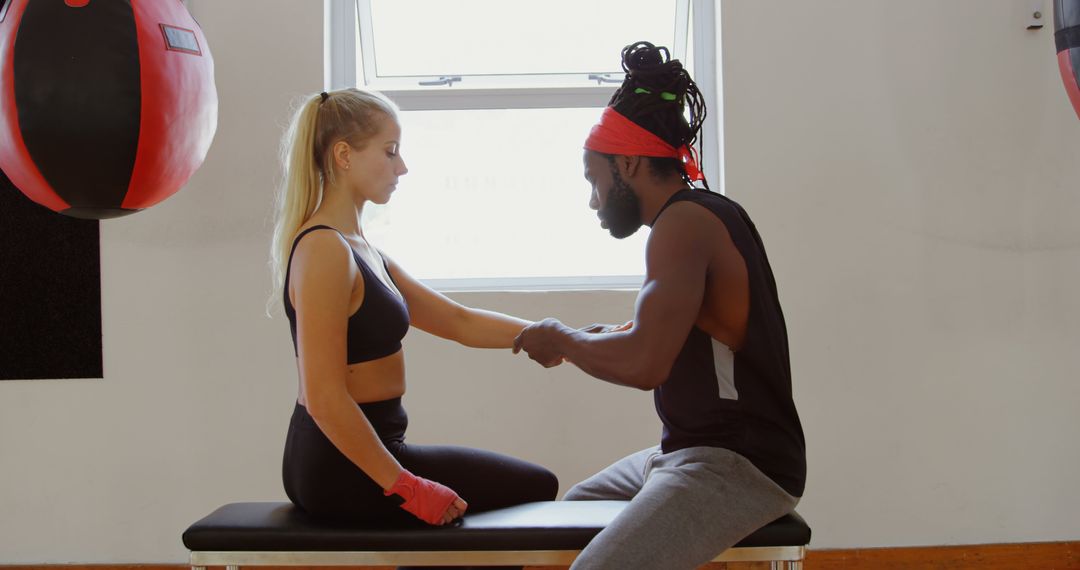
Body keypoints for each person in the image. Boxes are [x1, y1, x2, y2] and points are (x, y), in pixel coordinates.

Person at [513, 42, 806, 570]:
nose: (594, 200)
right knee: (578, 510)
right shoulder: (702, 214)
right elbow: (686, 333)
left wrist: (563, 341)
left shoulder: (682, 225)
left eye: (594, 180)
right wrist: (605, 336)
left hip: (737, 464)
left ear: (625, 162)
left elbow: (647, 364)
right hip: (684, 451)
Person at [270, 88, 558, 534]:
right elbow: (324, 397)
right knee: (533, 487)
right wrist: (406, 487)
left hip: (375, 447)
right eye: (390, 152)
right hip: (339, 463)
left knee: (529, 489)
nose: (401, 167)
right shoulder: (323, 250)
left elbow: (457, 320)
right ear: (344, 155)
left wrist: (564, 337)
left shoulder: (362, 249)